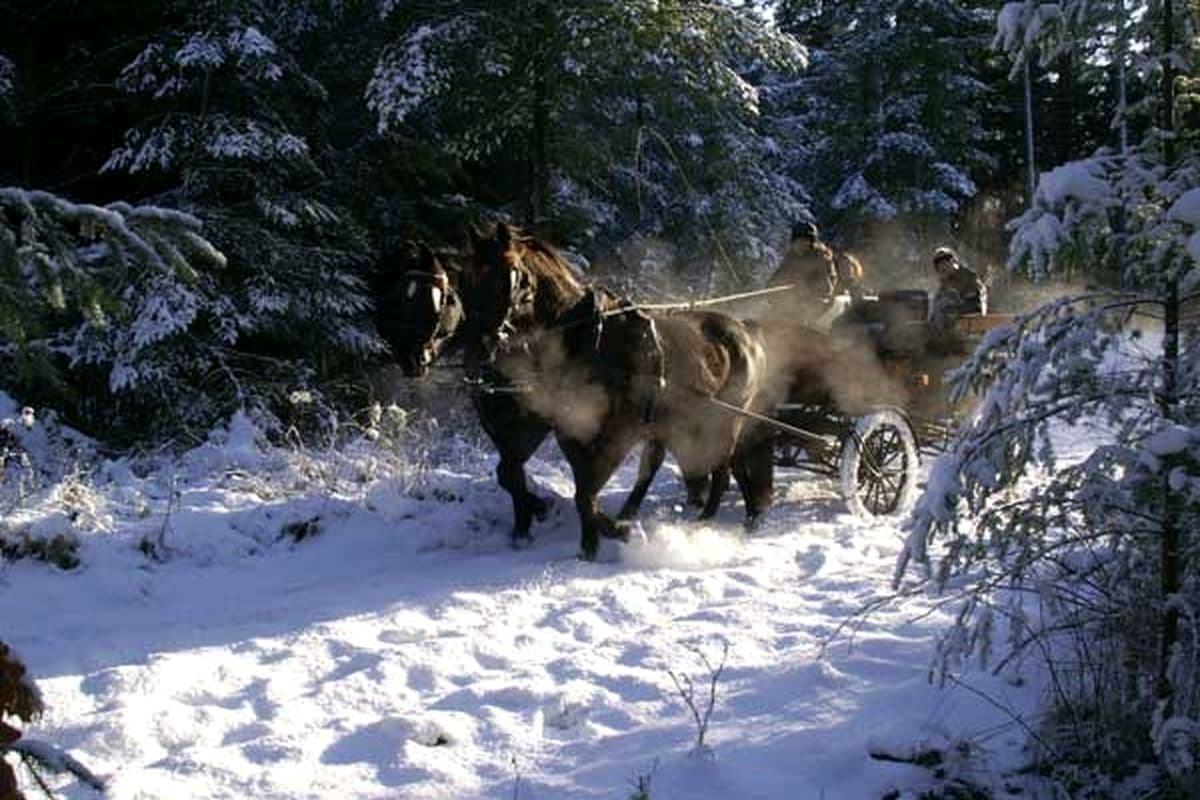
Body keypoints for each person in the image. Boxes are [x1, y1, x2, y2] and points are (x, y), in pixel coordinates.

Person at [766, 221, 838, 324]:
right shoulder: (790, 259)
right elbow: (775, 280)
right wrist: (773, 291)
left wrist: (807, 288)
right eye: (797, 241)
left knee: (800, 318)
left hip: (817, 306)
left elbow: (827, 287)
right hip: (792, 306)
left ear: (811, 243)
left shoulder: (821, 258)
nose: (800, 245)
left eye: (804, 241)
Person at [928, 246, 986, 352]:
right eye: (939, 265)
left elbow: (976, 306)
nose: (943, 267)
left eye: (946, 262)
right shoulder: (944, 286)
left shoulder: (968, 278)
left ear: (953, 262)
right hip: (949, 333)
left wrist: (954, 308)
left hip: (970, 328)